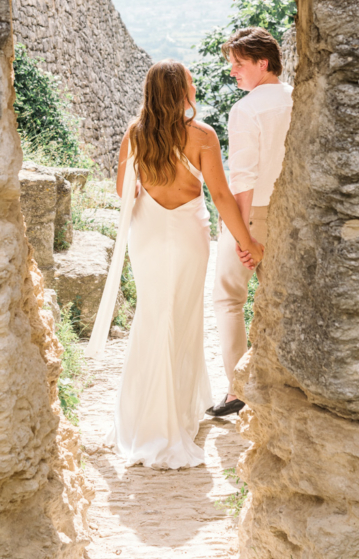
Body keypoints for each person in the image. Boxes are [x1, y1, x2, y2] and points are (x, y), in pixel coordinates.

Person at [110, 60, 263, 470]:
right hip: (188, 234)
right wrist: (247, 242)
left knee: (152, 315)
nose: (194, 88)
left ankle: (145, 419)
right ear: (180, 91)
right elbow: (221, 195)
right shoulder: (201, 135)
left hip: (147, 233)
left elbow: (123, 190)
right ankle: (174, 416)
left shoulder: (134, 133)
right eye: (191, 83)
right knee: (183, 316)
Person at [208, 27, 293, 418]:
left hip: (253, 212)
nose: (233, 72)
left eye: (239, 65)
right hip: (292, 211)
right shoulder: (298, 98)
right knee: (281, 298)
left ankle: (237, 389)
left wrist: (241, 234)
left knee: (228, 299)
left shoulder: (246, 109)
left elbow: (242, 176)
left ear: (263, 63)